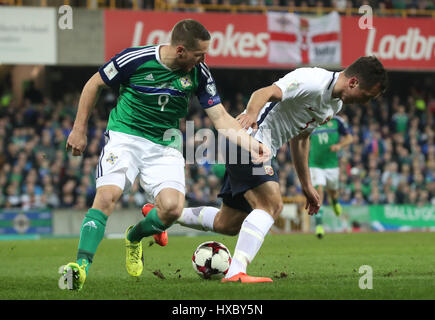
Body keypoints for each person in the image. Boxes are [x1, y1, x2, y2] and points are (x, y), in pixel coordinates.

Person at [60, 19, 269, 291]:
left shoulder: (200, 73)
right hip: (126, 137)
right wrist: (79, 129)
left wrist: (250, 143)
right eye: (199, 54)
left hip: (164, 145)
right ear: (181, 50)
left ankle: (134, 237)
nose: (203, 59)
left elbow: (220, 118)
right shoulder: (134, 59)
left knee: (172, 209)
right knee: (107, 196)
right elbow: (93, 84)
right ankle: (81, 266)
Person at [162, 56, 388, 283]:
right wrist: (251, 114)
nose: (365, 102)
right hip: (247, 141)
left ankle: (164, 214)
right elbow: (264, 93)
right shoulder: (312, 79)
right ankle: (236, 272)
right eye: (367, 96)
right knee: (271, 205)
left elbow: (301, 139)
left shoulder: (334, 105)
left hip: (256, 148)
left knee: (227, 223)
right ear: (353, 83)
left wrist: (307, 185)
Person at [308, 115, 353, 239]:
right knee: (319, 190)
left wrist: (339, 146)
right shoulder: (312, 120)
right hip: (315, 164)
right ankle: (319, 226)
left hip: (332, 165)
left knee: (333, 192)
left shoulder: (337, 121)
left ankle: (334, 201)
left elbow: (349, 138)